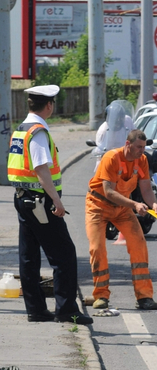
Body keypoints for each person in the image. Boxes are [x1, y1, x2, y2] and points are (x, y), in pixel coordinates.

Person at [8, 85, 93, 325]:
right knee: (64, 255)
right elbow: (41, 169)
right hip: (40, 202)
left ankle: (35, 310)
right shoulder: (38, 132)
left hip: (24, 199)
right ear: (49, 105)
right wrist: (57, 201)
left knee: (29, 257)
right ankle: (66, 310)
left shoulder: (21, 129)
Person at [85, 130, 157, 310]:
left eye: (144, 147)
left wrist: (153, 205)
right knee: (97, 248)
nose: (142, 151)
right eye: (138, 147)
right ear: (128, 145)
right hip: (98, 206)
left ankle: (144, 297)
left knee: (139, 245)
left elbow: (146, 189)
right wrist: (135, 205)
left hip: (122, 209)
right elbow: (109, 192)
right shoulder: (111, 158)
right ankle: (101, 295)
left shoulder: (142, 160)